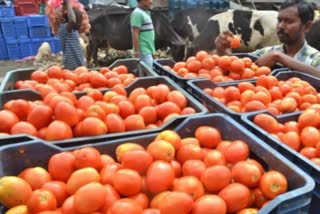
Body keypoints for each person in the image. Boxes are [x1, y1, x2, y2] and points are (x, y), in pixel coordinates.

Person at [215, 0, 320, 76]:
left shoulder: (315, 58)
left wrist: (280, 58)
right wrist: (223, 50)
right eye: (279, 20)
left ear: (307, 26)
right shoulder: (268, 52)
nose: (281, 26)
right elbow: (239, 68)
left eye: (289, 21)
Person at [58, 0, 86, 70]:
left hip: (79, 65)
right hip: (71, 67)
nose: (80, 24)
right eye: (78, 22)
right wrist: (67, 3)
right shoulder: (65, 29)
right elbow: (72, 21)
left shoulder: (74, 30)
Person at [130, 0, 155, 69]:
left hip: (147, 50)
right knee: (149, 75)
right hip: (143, 52)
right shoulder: (137, 13)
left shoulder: (146, 12)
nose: (151, 1)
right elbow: (135, 33)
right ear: (142, 1)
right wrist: (136, 52)